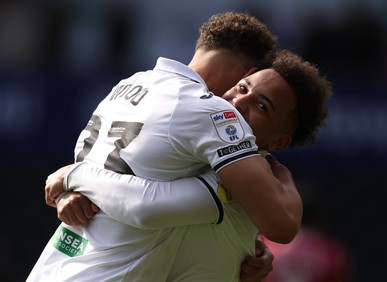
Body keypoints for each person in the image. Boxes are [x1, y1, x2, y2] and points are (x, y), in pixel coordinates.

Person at [28, 12, 332, 282]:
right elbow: (281, 222)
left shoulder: (133, 82)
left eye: (261, 106)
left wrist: (73, 178)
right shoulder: (212, 115)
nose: (238, 103)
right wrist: (74, 179)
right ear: (246, 73)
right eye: (243, 88)